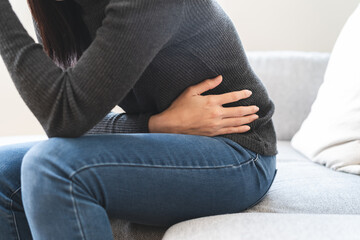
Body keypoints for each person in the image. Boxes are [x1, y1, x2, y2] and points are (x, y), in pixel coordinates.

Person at [0, 0, 278, 239]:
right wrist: (156, 124)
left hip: (240, 152)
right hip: (165, 141)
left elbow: (63, 117)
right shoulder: (58, 7)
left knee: (53, 166)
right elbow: (66, 122)